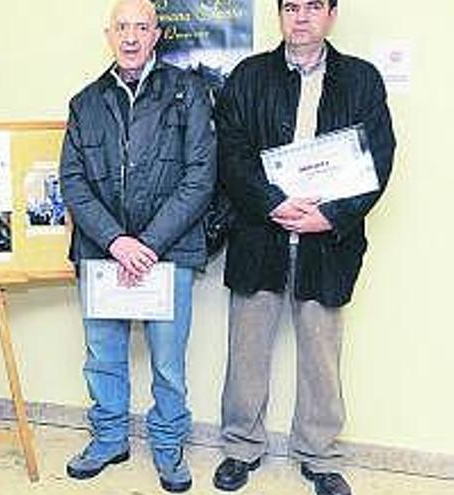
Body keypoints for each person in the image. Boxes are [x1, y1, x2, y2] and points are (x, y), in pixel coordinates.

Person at [211, 2, 395, 495]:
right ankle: (240, 448)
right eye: (291, 6)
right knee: (246, 352)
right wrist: (272, 205)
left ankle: (319, 454)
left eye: (314, 6)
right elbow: (231, 152)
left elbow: (378, 158)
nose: (301, 17)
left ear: (331, 15)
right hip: (259, 236)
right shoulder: (249, 76)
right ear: (280, 15)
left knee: (321, 354)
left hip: (327, 244)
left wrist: (330, 216)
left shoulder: (361, 80)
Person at [59, 0, 215, 492]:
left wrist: (145, 244)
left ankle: (168, 446)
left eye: (141, 27)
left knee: (169, 363)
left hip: (167, 255)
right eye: (122, 27)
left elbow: (200, 177)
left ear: (156, 35)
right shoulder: (84, 102)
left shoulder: (189, 92)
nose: (130, 36)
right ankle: (108, 438)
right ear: (109, 35)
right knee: (102, 355)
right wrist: (116, 240)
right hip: (103, 254)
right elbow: (73, 180)